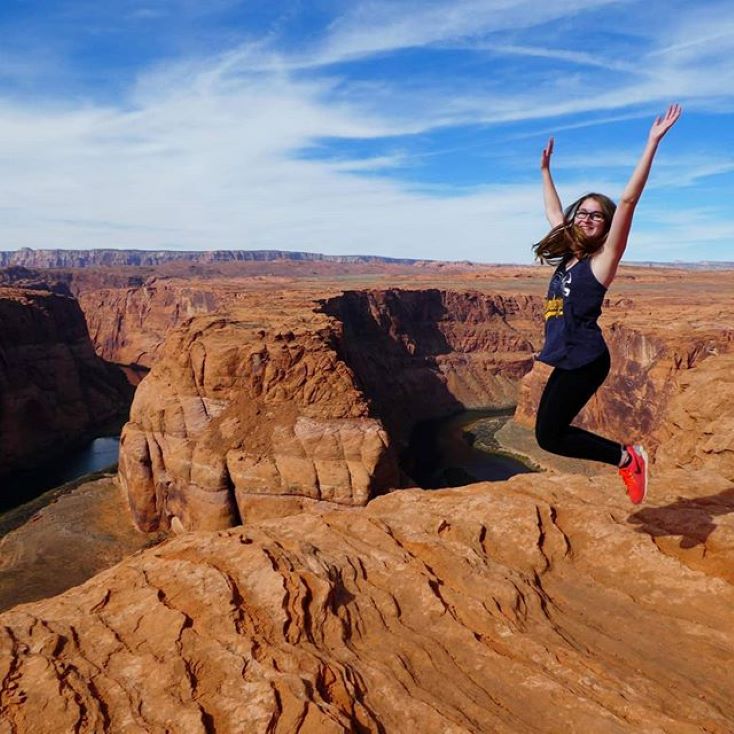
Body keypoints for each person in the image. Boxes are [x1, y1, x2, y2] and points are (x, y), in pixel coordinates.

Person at [533, 104, 682, 504]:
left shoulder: (602, 262)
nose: (585, 219)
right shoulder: (568, 252)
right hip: (568, 357)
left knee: (550, 435)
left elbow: (629, 200)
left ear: (606, 224)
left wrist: (651, 143)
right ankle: (626, 458)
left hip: (585, 359)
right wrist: (545, 172)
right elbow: (552, 210)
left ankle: (628, 458)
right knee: (546, 436)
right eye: (581, 213)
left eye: (596, 216)